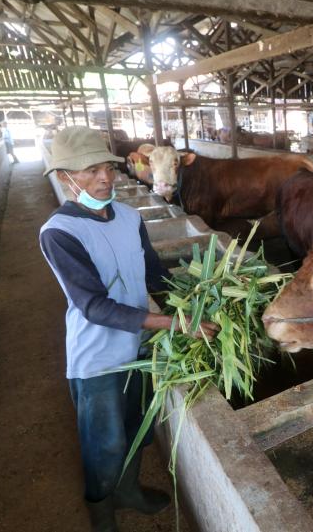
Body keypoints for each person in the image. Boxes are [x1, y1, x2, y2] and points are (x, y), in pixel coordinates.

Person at [39, 126, 217, 531]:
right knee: (105, 442)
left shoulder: (130, 216)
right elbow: (93, 305)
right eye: (90, 171)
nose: (105, 178)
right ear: (64, 177)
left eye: (107, 167)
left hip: (139, 346)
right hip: (98, 357)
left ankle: (129, 490)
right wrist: (173, 323)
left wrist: (203, 292)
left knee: (137, 426)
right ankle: (102, 511)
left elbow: (154, 275)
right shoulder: (59, 233)